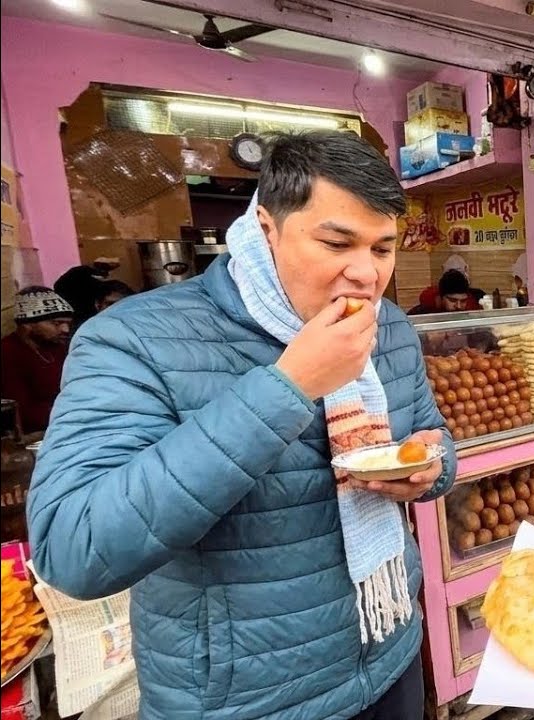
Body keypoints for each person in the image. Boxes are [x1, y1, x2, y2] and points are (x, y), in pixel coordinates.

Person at [27, 130, 458, 720]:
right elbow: (74, 548)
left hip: (387, 653)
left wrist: (432, 467)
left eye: (383, 249)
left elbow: (433, 437)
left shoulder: (390, 331)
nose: (366, 274)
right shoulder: (133, 339)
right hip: (243, 697)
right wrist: (290, 385)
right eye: (337, 242)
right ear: (265, 228)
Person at [0, 287, 73, 433]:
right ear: (27, 324)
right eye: (56, 323)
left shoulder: (59, 346)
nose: (65, 329)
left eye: (68, 323)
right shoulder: (7, 352)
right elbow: (21, 411)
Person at [412, 269, 481, 314]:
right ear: (440, 297)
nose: (459, 306)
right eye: (453, 300)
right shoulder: (421, 312)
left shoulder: (472, 308)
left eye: (463, 301)